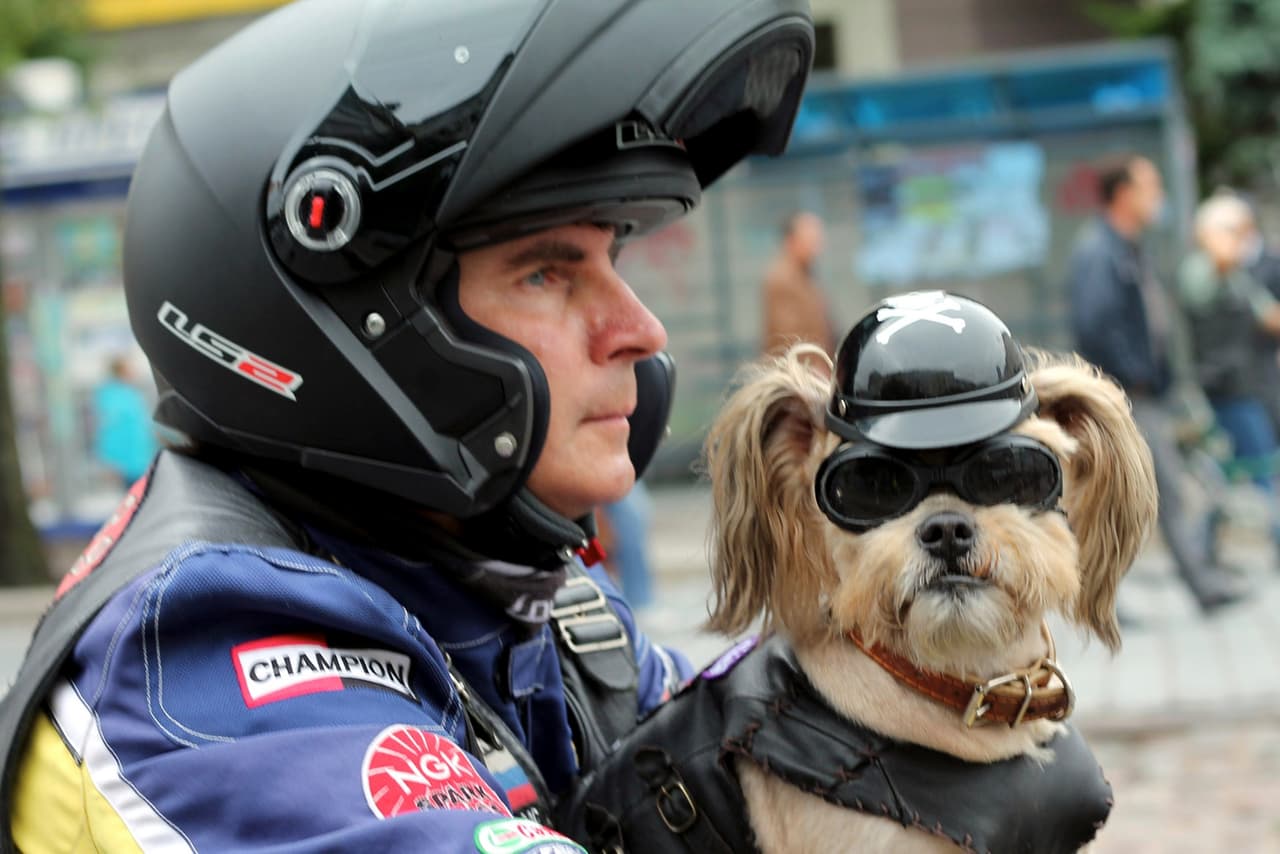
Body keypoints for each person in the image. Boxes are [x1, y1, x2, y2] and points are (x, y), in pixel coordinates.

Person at [0, 2, 815, 851]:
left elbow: (750, 769)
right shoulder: (205, 648)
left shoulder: (510, 585)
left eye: (614, 256)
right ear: (352, 325)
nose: (641, 329)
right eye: (544, 274)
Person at [1065, 154, 1246, 614]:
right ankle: (1198, 585)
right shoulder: (1098, 252)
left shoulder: (1127, 248)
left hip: (1144, 394)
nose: (1158, 197)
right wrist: (1134, 376)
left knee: (1128, 498)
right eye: (1150, 187)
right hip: (1125, 397)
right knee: (1156, 493)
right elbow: (1094, 325)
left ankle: (1106, 596)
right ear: (1124, 194)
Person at [1176, 193, 1280, 556]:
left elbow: (1268, 316)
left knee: (1232, 474)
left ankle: (1207, 549)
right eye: (1235, 230)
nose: (1242, 237)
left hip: (1251, 385)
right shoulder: (1199, 268)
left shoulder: (1238, 274)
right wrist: (1218, 240)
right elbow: (1214, 271)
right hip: (1223, 391)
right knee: (1258, 466)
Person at [761, 210, 836, 372]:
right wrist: (815, 367)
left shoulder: (805, 275)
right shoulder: (782, 279)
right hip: (800, 375)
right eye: (810, 239)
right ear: (791, 241)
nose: (817, 246)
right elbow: (788, 339)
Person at [90, 354, 157, 486]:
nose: (134, 372)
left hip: (137, 457)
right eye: (130, 369)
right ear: (122, 372)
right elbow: (115, 428)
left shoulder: (123, 394)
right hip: (130, 459)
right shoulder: (118, 396)